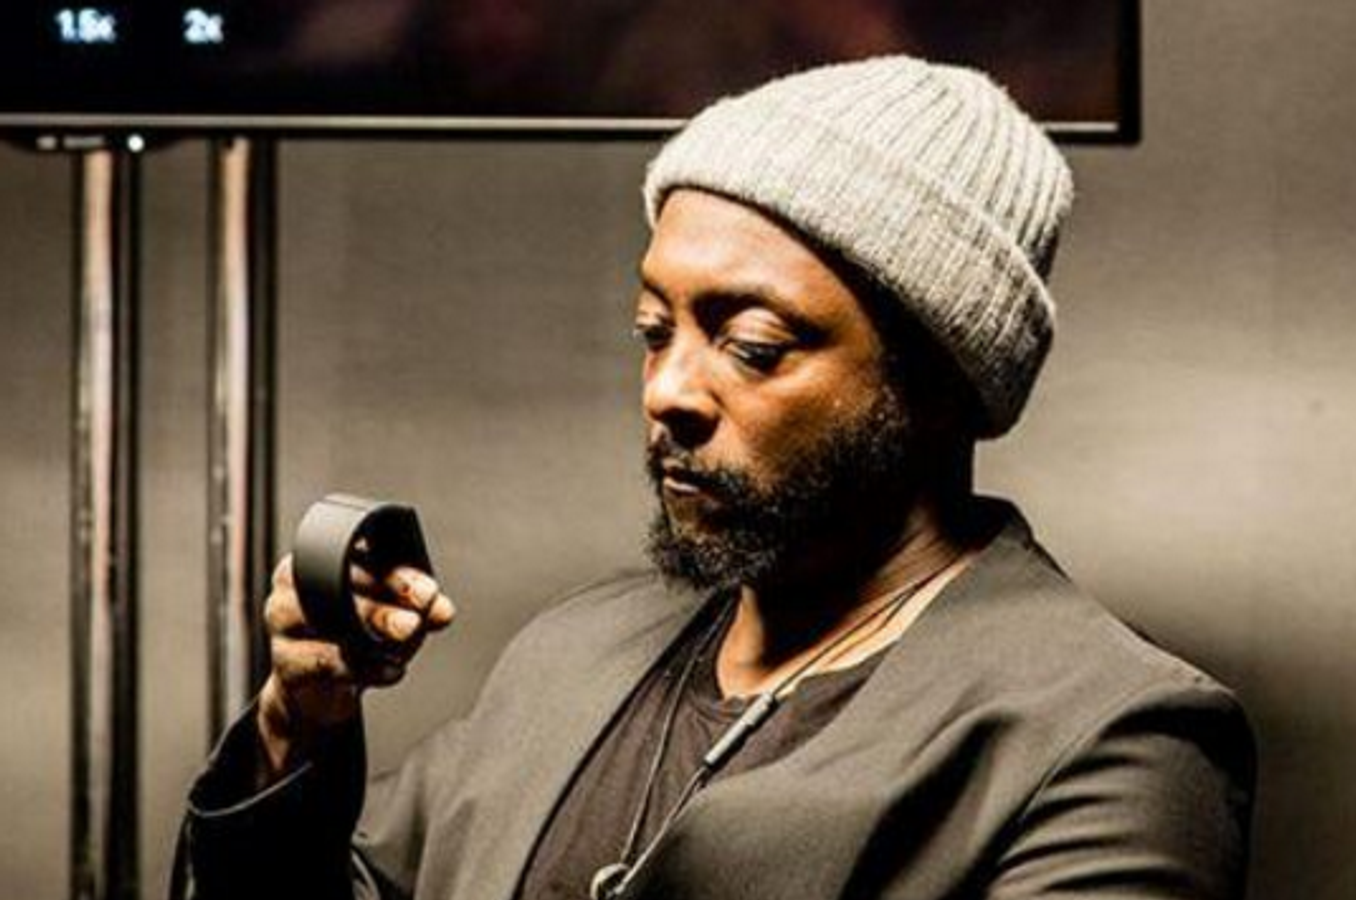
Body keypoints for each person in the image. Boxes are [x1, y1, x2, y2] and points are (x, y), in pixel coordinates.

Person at [174, 56, 1255, 900]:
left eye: (751, 345)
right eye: (655, 331)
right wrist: (299, 725)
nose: (669, 392)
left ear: (937, 383)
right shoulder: (575, 652)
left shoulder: (1112, 737)